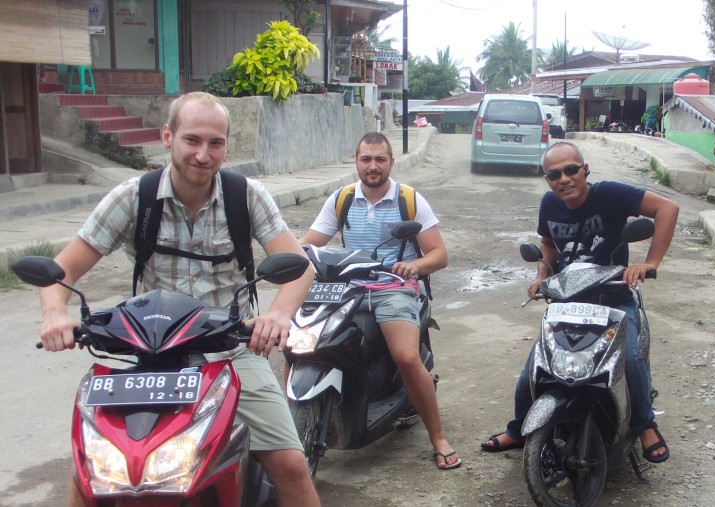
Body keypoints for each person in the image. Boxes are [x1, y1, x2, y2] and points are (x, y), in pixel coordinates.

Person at [37, 92, 321, 507]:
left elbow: (301, 267)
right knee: (91, 471)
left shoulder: (246, 196)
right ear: (167, 136)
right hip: (151, 357)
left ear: (227, 144)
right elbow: (60, 273)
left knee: (290, 466)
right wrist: (54, 313)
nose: (203, 155)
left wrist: (277, 315)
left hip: (230, 351)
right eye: (192, 140)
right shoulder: (134, 197)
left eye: (215, 143)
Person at [481, 141, 679, 464]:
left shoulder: (610, 195)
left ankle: (644, 423)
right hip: (567, 305)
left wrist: (650, 262)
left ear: (584, 169)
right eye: (554, 174)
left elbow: (667, 209)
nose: (564, 179)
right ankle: (519, 430)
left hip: (613, 301)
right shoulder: (549, 204)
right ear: (547, 180)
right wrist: (541, 274)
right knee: (532, 371)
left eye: (571, 170)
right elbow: (547, 243)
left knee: (629, 359)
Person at [298, 132, 460, 470]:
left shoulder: (409, 199)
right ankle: (292, 427)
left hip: (393, 287)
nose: (373, 166)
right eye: (366, 159)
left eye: (380, 160)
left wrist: (413, 265)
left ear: (391, 162)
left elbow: (439, 254)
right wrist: (294, 257)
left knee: (405, 356)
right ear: (356, 162)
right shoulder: (342, 198)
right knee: (300, 343)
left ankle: (439, 436)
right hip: (347, 287)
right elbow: (309, 243)